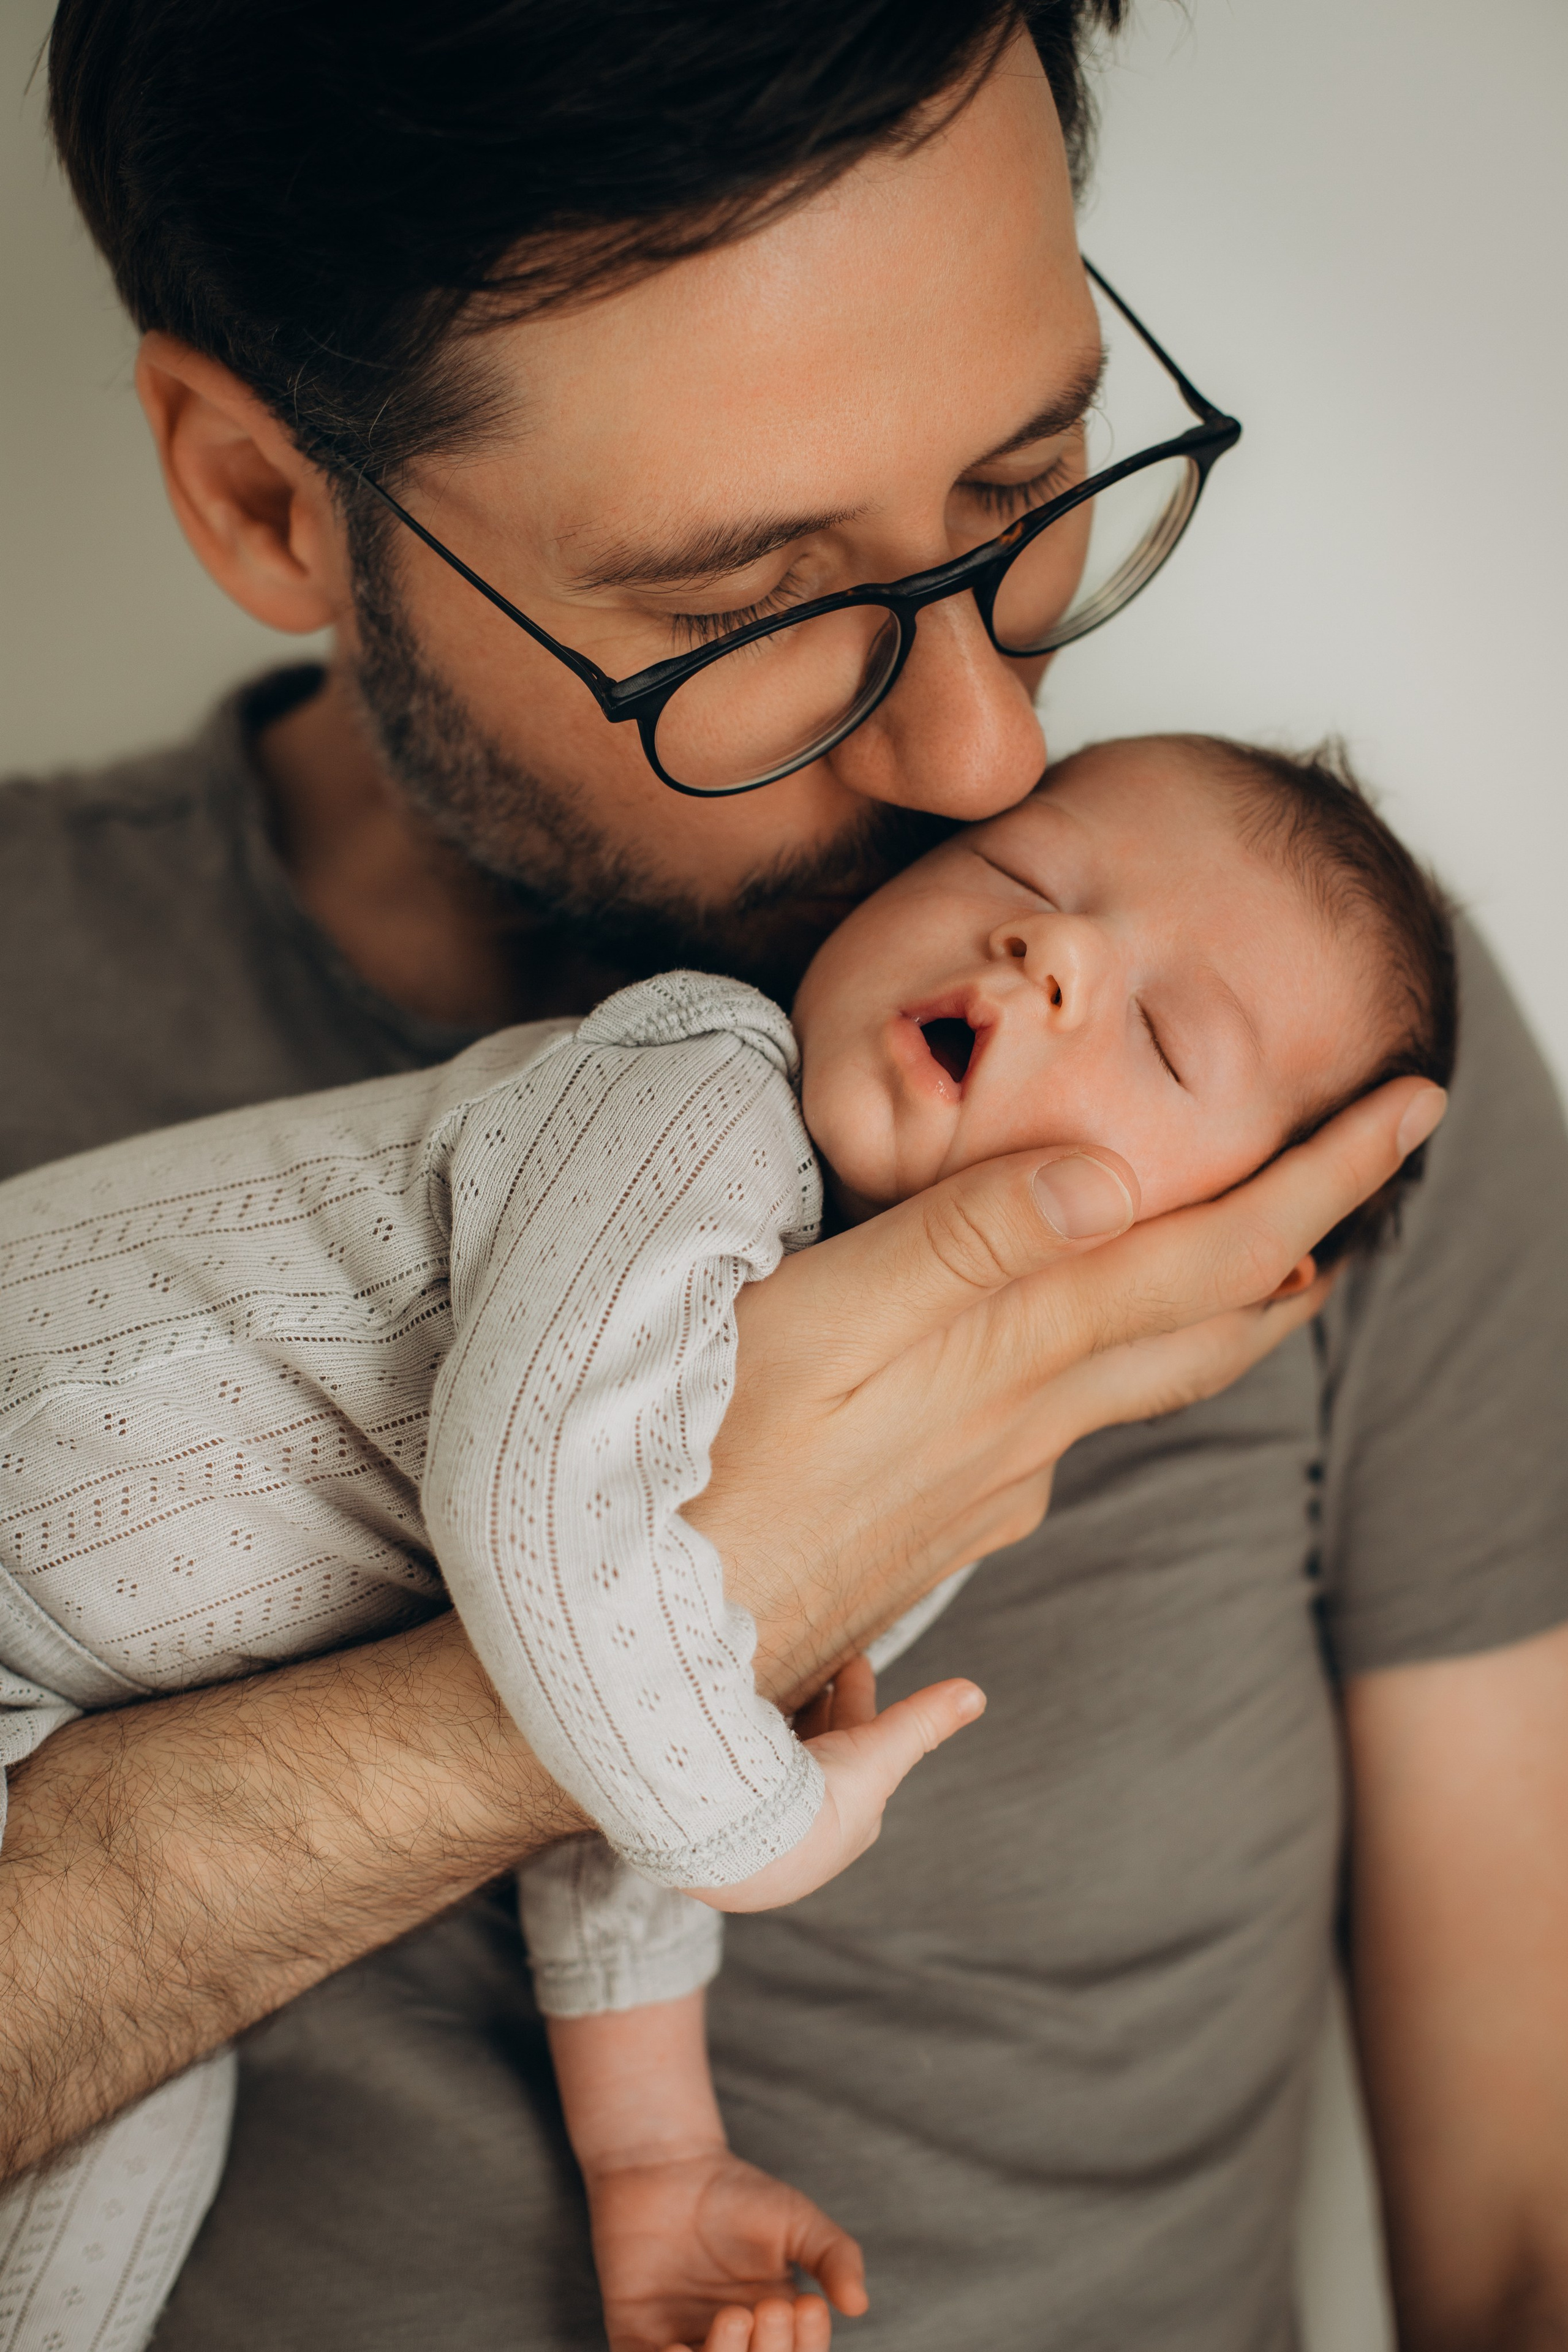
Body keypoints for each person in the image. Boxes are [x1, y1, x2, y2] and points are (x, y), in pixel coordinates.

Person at [2, 2, 1565, 2346]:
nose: (990, 751)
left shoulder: (1304, 1078)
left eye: (1023, 487)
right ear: (263, 501)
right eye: (752, 607)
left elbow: (1528, 2232)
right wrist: (644, 1642)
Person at [0, 733, 1455, 2352]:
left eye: (1170, 1038)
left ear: (1239, 1258)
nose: (1049, 947)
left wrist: (654, 2150)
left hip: (59, 1744)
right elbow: (543, 1510)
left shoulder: (923, 1456)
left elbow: (606, 1744)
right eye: (1018, 874)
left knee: (108, 2158)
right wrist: (754, 1821)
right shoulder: (696, 1093)